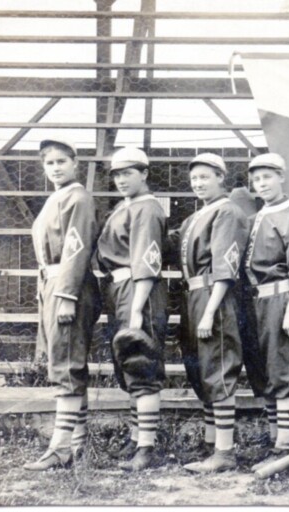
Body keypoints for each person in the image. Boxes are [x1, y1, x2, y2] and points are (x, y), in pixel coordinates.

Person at [24, 137, 101, 470]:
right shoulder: (55, 198)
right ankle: (78, 444)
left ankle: (60, 448)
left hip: (70, 286)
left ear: (75, 163)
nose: (55, 168)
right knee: (63, 360)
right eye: (49, 163)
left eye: (61, 161)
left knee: (67, 362)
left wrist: (67, 295)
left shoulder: (79, 198)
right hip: (51, 283)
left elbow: (76, 249)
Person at [171, 153, 250, 473]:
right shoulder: (195, 217)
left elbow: (225, 268)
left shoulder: (227, 211)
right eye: (194, 178)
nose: (198, 183)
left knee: (218, 369)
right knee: (201, 370)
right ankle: (210, 442)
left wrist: (209, 313)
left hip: (214, 296)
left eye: (205, 176)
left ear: (221, 177)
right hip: (192, 294)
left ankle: (225, 452)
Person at [96, 146, 167, 471]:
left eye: (128, 173)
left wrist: (137, 310)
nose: (121, 179)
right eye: (116, 174)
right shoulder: (123, 207)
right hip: (118, 289)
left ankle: (147, 448)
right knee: (127, 367)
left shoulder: (147, 208)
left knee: (141, 365)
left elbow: (147, 263)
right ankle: (138, 438)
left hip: (139, 291)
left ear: (144, 173)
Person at [245, 153, 289, 466]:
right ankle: (275, 440)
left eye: (268, 177)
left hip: (283, 297)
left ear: (281, 177)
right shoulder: (258, 215)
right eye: (257, 179)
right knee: (265, 373)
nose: (262, 184)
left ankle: (284, 448)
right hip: (257, 300)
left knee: (284, 370)